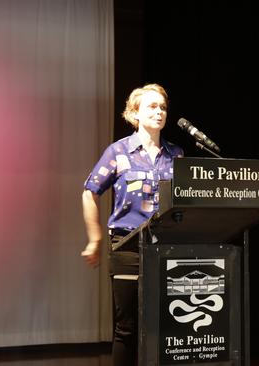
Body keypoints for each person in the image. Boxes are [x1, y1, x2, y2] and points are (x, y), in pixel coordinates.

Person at [80, 83, 183, 365]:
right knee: (127, 329)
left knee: (164, 327)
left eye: (163, 107)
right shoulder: (118, 152)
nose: (159, 112)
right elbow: (90, 191)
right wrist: (95, 239)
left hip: (167, 249)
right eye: (152, 106)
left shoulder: (177, 155)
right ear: (134, 113)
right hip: (127, 247)